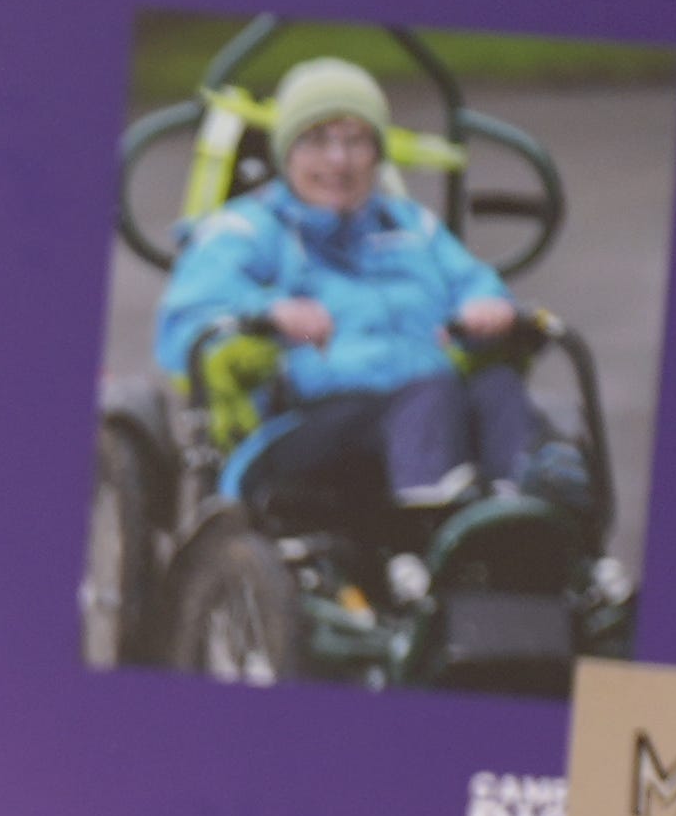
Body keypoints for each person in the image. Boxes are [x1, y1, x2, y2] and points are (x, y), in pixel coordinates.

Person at [151, 55, 547, 526]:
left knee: (498, 390)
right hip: (304, 423)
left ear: (377, 153)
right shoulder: (247, 230)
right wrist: (271, 311)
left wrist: (486, 306)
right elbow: (189, 318)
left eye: (355, 140)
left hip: (427, 408)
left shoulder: (410, 226)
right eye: (317, 140)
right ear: (287, 152)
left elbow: (472, 280)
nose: (338, 160)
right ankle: (434, 521)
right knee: (430, 394)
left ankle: (524, 516)